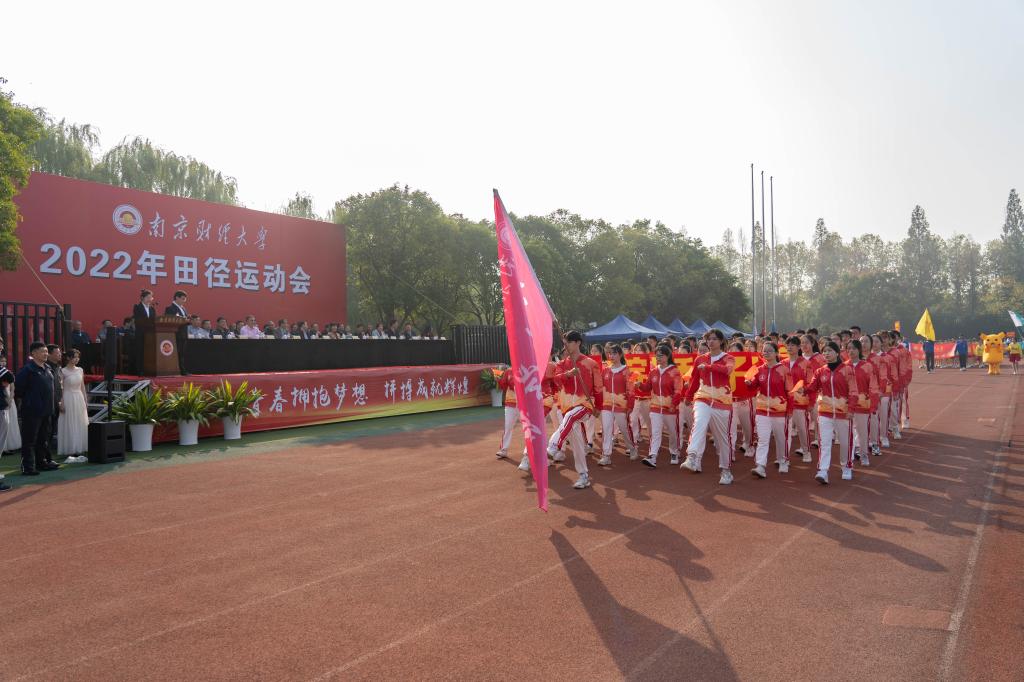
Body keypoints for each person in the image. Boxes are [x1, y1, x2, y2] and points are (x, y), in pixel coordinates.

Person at [547, 330, 603, 489]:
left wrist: (598, 406)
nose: (566, 346)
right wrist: (568, 374)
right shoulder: (561, 364)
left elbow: (598, 387)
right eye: (564, 343)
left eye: (569, 343)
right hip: (566, 406)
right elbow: (556, 381)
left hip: (585, 404)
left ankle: (553, 446)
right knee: (577, 444)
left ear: (578, 342)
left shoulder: (591, 363)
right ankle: (584, 476)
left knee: (571, 417)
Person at [681, 329, 736, 485]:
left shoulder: (728, 358)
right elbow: (694, 380)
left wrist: (710, 367)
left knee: (722, 438)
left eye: (714, 339)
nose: (710, 342)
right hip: (703, 398)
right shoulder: (700, 359)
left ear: (721, 341)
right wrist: (688, 396)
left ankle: (726, 471)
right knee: (699, 423)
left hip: (722, 401)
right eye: (708, 339)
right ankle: (692, 456)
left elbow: (727, 370)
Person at [804, 341, 857, 484]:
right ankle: (823, 470)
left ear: (837, 352)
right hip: (825, 412)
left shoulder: (847, 370)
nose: (826, 353)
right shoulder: (820, 371)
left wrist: (851, 409)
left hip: (843, 413)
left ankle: (846, 466)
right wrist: (803, 389)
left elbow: (853, 391)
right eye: (824, 351)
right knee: (824, 442)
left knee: (845, 442)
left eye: (829, 351)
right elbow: (812, 386)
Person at [744, 341, 793, 478]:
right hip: (762, 410)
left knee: (781, 438)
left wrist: (789, 410)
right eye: (764, 351)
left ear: (776, 353)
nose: (766, 353)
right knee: (762, 439)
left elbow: (790, 392)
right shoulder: (759, 369)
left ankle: (783, 460)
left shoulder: (784, 370)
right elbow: (753, 387)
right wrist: (749, 383)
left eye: (770, 350)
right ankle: (760, 466)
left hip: (780, 411)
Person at [634, 344, 682, 468]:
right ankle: (652, 456)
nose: (658, 358)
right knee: (655, 432)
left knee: (672, 432)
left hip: (670, 408)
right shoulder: (653, 371)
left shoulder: (675, 371)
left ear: (668, 356)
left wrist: (674, 404)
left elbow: (678, 390)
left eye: (661, 356)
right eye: (657, 356)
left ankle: (674, 452)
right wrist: (640, 385)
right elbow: (647, 387)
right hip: (655, 407)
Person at [14, 342, 59, 475]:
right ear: (33, 353)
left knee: (43, 439)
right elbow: (19, 389)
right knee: (29, 440)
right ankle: (27, 467)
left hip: (47, 410)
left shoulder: (48, 368)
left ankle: (42, 463)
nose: (45, 354)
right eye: (42, 351)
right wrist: (31, 401)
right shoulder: (27, 370)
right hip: (32, 411)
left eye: (46, 351)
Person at [599, 344, 638, 465]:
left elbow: (631, 390)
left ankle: (632, 448)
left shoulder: (627, 371)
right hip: (606, 405)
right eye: (610, 353)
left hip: (621, 405)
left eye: (614, 353)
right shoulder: (605, 370)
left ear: (620, 354)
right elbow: (600, 387)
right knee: (606, 429)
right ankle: (606, 455)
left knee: (624, 428)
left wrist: (630, 405)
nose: (611, 356)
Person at [846, 339, 878, 467]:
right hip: (846, 405)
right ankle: (850, 454)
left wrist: (873, 404)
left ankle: (864, 455)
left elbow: (873, 386)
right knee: (848, 432)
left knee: (862, 431)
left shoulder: (867, 366)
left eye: (854, 348)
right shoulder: (843, 367)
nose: (851, 351)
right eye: (848, 348)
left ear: (859, 350)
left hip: (862, 404)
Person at [57, 349, 90, 462]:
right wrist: (61, 402)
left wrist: (85, 400)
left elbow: (82, 386)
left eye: (78, 357)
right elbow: (61, 388)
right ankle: (70, 448)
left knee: (80, 422)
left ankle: (79, 447)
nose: (77, 359)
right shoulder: (63, 371)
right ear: (68, 358)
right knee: (69, 422)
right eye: (74, 357)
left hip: (78, 397)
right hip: (68, 397)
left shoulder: (80, 370)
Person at [784, 336, 812, 462]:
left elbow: (810, 382)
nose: (790, 347)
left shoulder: (806, 363)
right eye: (788, 345)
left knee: (802, 428)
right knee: (785, 429)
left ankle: (806, 452)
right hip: (784, 402)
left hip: (800, 401)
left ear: (798, 347)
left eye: (793, 345)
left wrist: (806, 391)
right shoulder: (782, 363)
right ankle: (785, 457)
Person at [729, 340, 754, 458]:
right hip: (730, 401)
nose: (734, 353)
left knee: (747, 426)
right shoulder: (725, 361)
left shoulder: (747, 361)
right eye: (731, 351)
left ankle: (749, 445)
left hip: (743, 400)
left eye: (736, 351)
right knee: (731, 428)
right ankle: (731, 451)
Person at [164, 290, 190, 374]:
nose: (184, 301)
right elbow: (169, 321)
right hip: (175, 334)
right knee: (176, 353)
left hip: (183, 334)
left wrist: (188, 320)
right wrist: (182, 319)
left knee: (182, 353)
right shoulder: (170, 308)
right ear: (176, 298)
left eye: (185, 299)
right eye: (183, 298)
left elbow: (185, 320)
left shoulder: (183, 308)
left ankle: (182, 370)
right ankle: (175, 370)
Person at [45, 344, 64, 451]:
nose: (60, 355)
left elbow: (60, 386)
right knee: (46, 428)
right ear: (49, 354)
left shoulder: (59, 367)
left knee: (53, 427)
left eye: (60, 352)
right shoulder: (45, 367)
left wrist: (60, 400)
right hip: (47, 403)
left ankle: (48, 450)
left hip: (57, 402)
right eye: (57, 353)